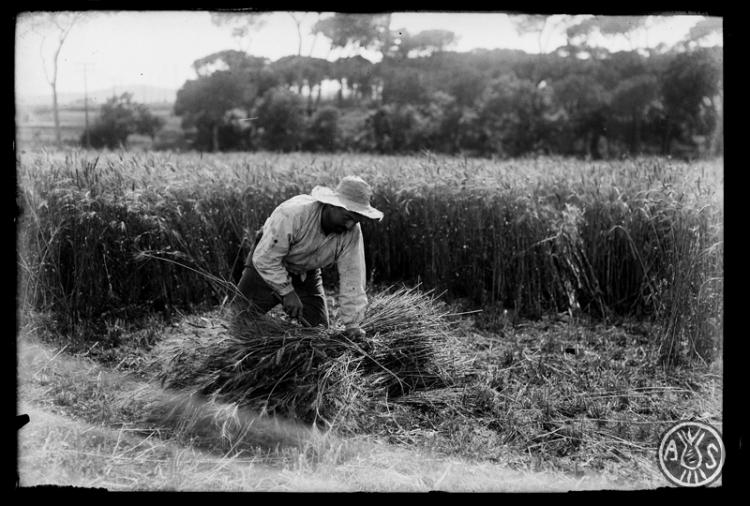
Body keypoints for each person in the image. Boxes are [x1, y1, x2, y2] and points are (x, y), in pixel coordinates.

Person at [235, 176, 383, 339]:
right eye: (347, 218)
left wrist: (352, 324)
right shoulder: (294, 214)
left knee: (318, 332)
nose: (349, 225)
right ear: (331, 205)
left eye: (355, 221)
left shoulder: (352, 232)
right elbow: (266, 258)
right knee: (239, 322)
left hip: (306, 272)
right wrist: (287, 292)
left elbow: (353, 275)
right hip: (266, 264)